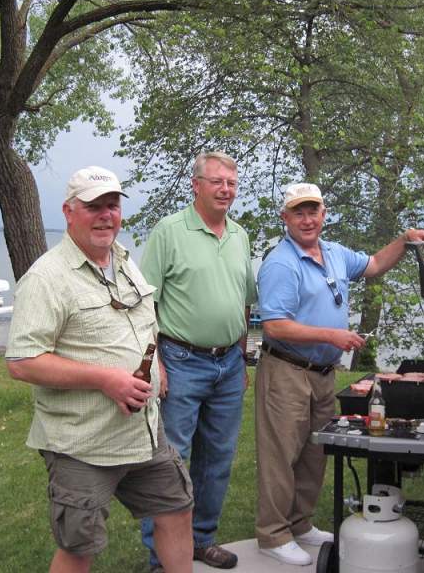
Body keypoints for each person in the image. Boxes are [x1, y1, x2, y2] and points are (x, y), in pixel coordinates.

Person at [5, 166, 193, 573]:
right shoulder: (47, 278)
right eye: (94, 207)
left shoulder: (124, 261)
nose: (106, 215)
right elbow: (22, 362)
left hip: (142, 433)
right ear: (69, 212)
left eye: (112, 205)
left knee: (176, 509)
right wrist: (106, 379)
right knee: (80, 543)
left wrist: (155, 361)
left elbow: (143, 322)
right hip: (83, 443)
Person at [255, 182, 424, 566]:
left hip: (323, 374)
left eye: (313, 211)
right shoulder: (280, 263)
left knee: (315, 451)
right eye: (298, 212)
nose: (307, 219)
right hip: (287, 372)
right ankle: (273, 535)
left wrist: (405, 240)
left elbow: (373, 265)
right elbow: (275, 326)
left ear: (324, 214)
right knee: (281, 455)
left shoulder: (335, 254)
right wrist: (333, 335)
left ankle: (300, 523)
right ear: (285, 218)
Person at [139, 152, 257, 572]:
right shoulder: (169, 231)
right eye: (217, 182)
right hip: (180, 360)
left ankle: (201, 540)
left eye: (231, 182)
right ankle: (160, 557)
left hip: (227, 364)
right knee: (169, 463)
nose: (225, 189)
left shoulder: (240, 235)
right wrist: (157, 366)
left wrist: (241, 359)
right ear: (196, 185)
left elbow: (244, 304)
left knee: (218, 458)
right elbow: (144, 305)